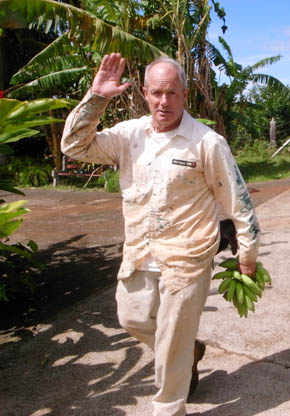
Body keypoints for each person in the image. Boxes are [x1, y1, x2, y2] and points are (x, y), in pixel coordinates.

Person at [61, 53, 260, 415]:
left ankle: (169, 407)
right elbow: (74, 146)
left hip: (188, 255)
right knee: (132, 319)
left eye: (171, 93)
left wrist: (247, 254)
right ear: (145, 94)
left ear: (185, 94)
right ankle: (189, 351)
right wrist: (97, 97)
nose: (163, 101)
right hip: (140, 250)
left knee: (170, 341)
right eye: (156, 93)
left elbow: (238, 201)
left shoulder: (207, 142)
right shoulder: (128, 135)